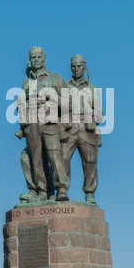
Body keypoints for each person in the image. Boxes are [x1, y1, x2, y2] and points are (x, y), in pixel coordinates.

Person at [16, 46, 70, 203]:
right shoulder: (26, 81)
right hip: (32, 124)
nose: (36, 60)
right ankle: (42, 191)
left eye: (39, 57)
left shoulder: (56, 78)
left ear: (45, 60)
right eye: (33, 57)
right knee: (36, 158)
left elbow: (68, 103)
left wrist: (49, 98)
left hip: (50, 122)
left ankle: (61, 189)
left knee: (54, 155)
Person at [61, 54, 103, 205]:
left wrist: (94, 112)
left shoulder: (94, 89)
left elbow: (100, 116)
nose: (76, 69)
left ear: (85, 67)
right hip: (69, 126)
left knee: (90, 161)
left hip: (87, 127)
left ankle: (90, 194)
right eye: (73, 66)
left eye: (79, 66)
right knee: (63, 158)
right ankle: (62, 189)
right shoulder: (64, 86)